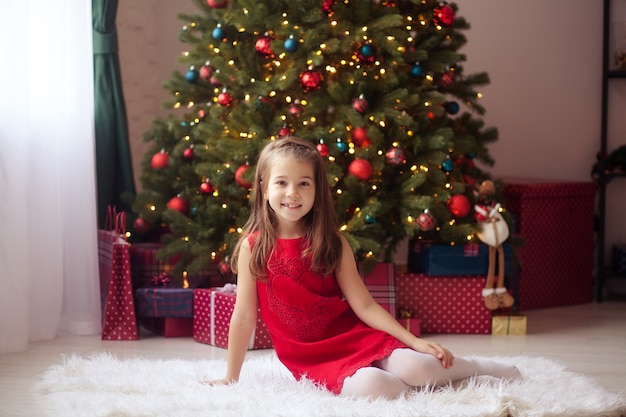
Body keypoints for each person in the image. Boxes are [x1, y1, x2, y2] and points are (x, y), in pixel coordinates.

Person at [206, 136, 520, 399]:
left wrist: (414, 341)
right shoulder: (253, 246)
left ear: (317, 190)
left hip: (353, 336)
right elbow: (244, 316)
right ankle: (461, 386)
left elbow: (365, 304)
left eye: (304, 183)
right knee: (378, 388)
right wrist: (230, 377)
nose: (292, 193)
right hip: (310, 358)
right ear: (263, 188)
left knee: (419, 367)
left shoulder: (331, 241)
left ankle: (477, 368)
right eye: (282, 183)